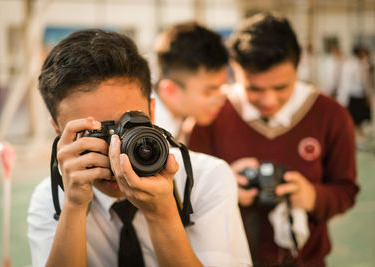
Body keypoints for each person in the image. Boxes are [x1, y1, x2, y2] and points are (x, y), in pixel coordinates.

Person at [27, 29, 252, 267]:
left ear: (152, 112)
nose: (114, 152)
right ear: (58, 131)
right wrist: (73, 208)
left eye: (126, 128)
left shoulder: (206, 178)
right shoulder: (52, 201)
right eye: (91, 135)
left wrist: (162, 213)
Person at [189, 12, 359, 267]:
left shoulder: (330, 114)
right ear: (234, 71)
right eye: (254, 89)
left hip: (305, 260)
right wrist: (221, 184)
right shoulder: (211, 115)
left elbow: (346, 190)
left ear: (299, 65)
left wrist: (311, 196)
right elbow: (185, 194)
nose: (269, 101)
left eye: (281, 88)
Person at [153, 21, 229, 143]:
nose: (220, 100)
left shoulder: (181, 120)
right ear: (170, 90)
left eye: (223, 86)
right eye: (208, 92)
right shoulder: (153, 138)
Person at [337, 44, 373, 143]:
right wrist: (342, 99)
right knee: (354, 119)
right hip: (352, 96)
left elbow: (367, 83)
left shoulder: (365, 64)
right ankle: (354, 137)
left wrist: (369, 96)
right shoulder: (349, 65)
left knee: (361, 119)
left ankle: (359, 136)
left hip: (361, 95)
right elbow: (345, 83)